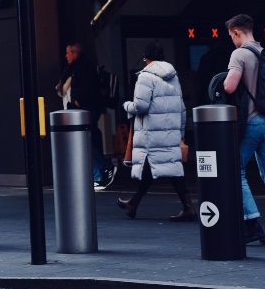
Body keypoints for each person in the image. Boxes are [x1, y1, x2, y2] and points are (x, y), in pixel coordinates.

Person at [222, 13, 265, 245]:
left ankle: (251, 223)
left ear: (237, 32)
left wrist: (222, 80)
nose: (232, 40)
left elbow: (230, 86)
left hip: (254, 121)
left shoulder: (240, 54)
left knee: (235, 170)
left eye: (232, 36)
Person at [118, 41, 193, 220]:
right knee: (167, 168)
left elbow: (141, 106)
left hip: (152, 134)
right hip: (170, 132)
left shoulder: (145, 77)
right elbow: (181, 107)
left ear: (146, 58)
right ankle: (135, 203)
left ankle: (135, 203)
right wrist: (181, 132)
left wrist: (126, 105)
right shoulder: (173, 76)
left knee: (155, 167)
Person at [58, 43, 113, 187]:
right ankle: (99, 174)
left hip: (87, 109)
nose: (66, 56)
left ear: (75, 54)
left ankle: (104, 168)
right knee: (90, 139)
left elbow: (90, 87)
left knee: (86, 141)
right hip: (85, 109)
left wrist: (77, 101)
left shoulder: (83, 67)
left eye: (68, 53)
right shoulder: (78, 67)